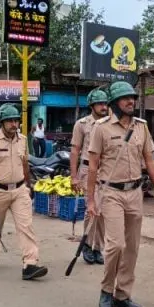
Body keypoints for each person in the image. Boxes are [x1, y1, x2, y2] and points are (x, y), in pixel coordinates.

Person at [86, 81, 154, 307]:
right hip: (110, 192)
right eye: (125, 99)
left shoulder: (141, 127)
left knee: (131, 247)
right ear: (114, 103)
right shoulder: (101, 129)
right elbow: (92, 167)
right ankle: (106, 290)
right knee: (116, 245)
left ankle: (122, 294)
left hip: (135, 193)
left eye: (132, 98)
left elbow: (149, 160)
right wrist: (91, 200)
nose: (131, 102)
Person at [0, 103, 48, 280]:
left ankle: (30, 264)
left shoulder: (23, 139)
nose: (13, 124)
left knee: (26, 227)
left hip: (19, 190)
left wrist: (28, 183)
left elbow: (24, 162)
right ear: (1, 122)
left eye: (16, 121)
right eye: (9, 121)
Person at [69, 88, 110, 266]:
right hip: (87, 170)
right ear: (92, 105)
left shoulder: (110, 123)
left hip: (106, 171)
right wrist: (74, 177)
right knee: (91, 208)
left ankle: (97, 247)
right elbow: (75, 150)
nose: (103, 106)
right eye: (100, 103)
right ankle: (87, 243)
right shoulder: (82, 124)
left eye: (105, 103)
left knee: (102, 211)